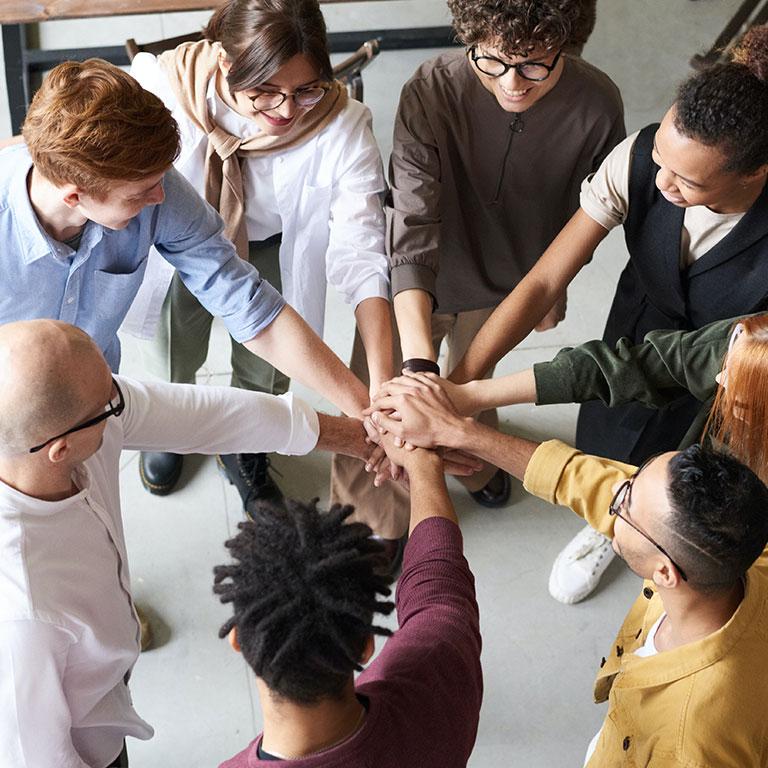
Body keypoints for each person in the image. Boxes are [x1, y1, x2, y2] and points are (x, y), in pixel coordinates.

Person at [448, 24, 768, 603]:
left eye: (687, 180)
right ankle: (607, 524)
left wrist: (466, 402)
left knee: (696, 482)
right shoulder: (641, 160)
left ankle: (658, 546)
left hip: (737, 375)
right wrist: (461, 382)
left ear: (753, 173)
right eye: (660, 159)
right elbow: (545, 278)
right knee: (608, 432)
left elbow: (660, 368)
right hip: (638, 323)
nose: (662, 181)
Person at [0, 319, 374, 768]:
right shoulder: (24, 616)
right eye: (108, 404)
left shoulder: (74, 426)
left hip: (104, 676)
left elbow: (206, 415)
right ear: (59, 449)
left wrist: (356, 438)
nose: (121, 402)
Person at [0, 57, 372, 499]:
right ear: (75, 196)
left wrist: (365, 410)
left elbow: (246, 303)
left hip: (93, 412)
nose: (160, 198)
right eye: (140, 195)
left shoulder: (152, 183)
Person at [369, 378, 768, 767]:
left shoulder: (691, 745)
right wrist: (459, 432)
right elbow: (587, 479)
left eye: (626, 504)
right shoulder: (736, 553)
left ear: (664, 573)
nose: (615, 499)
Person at [343, 0, 624, 548]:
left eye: (535, 64)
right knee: (384, 402)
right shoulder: (431, 88)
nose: (512, 83)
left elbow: (583, 219)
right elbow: (413, 221)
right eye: (491, 61)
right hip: (416, 281)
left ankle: (474, 455)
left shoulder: (598, 105)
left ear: (568, 43)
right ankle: (370, 521)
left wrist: (551, 290)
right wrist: (421, 367)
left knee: (476, 388)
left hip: (510, 286)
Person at [129, 0, 393, 503]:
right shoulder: (164, 87)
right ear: (226, 64)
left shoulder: (341, 124)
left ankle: (247, 442)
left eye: (305, 90)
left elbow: (362, 251)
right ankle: (168, 429)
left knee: (268, 367)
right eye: (265, 93)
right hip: (181, 245)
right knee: (172, 346)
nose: (287, 111)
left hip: (271, 246)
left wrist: (377, 389)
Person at [373, 314, 768, 600]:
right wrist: (465, 405)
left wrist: (446, 442)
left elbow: (604, 489)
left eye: (625, 503)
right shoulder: (750, 344)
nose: (719, 381)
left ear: (665, 570)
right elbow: (633, 366)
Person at [215, 437, 482, 767]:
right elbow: (439, 587)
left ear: (238, 638)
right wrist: (423, 468)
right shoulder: (442, 665)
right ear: (365, 646)